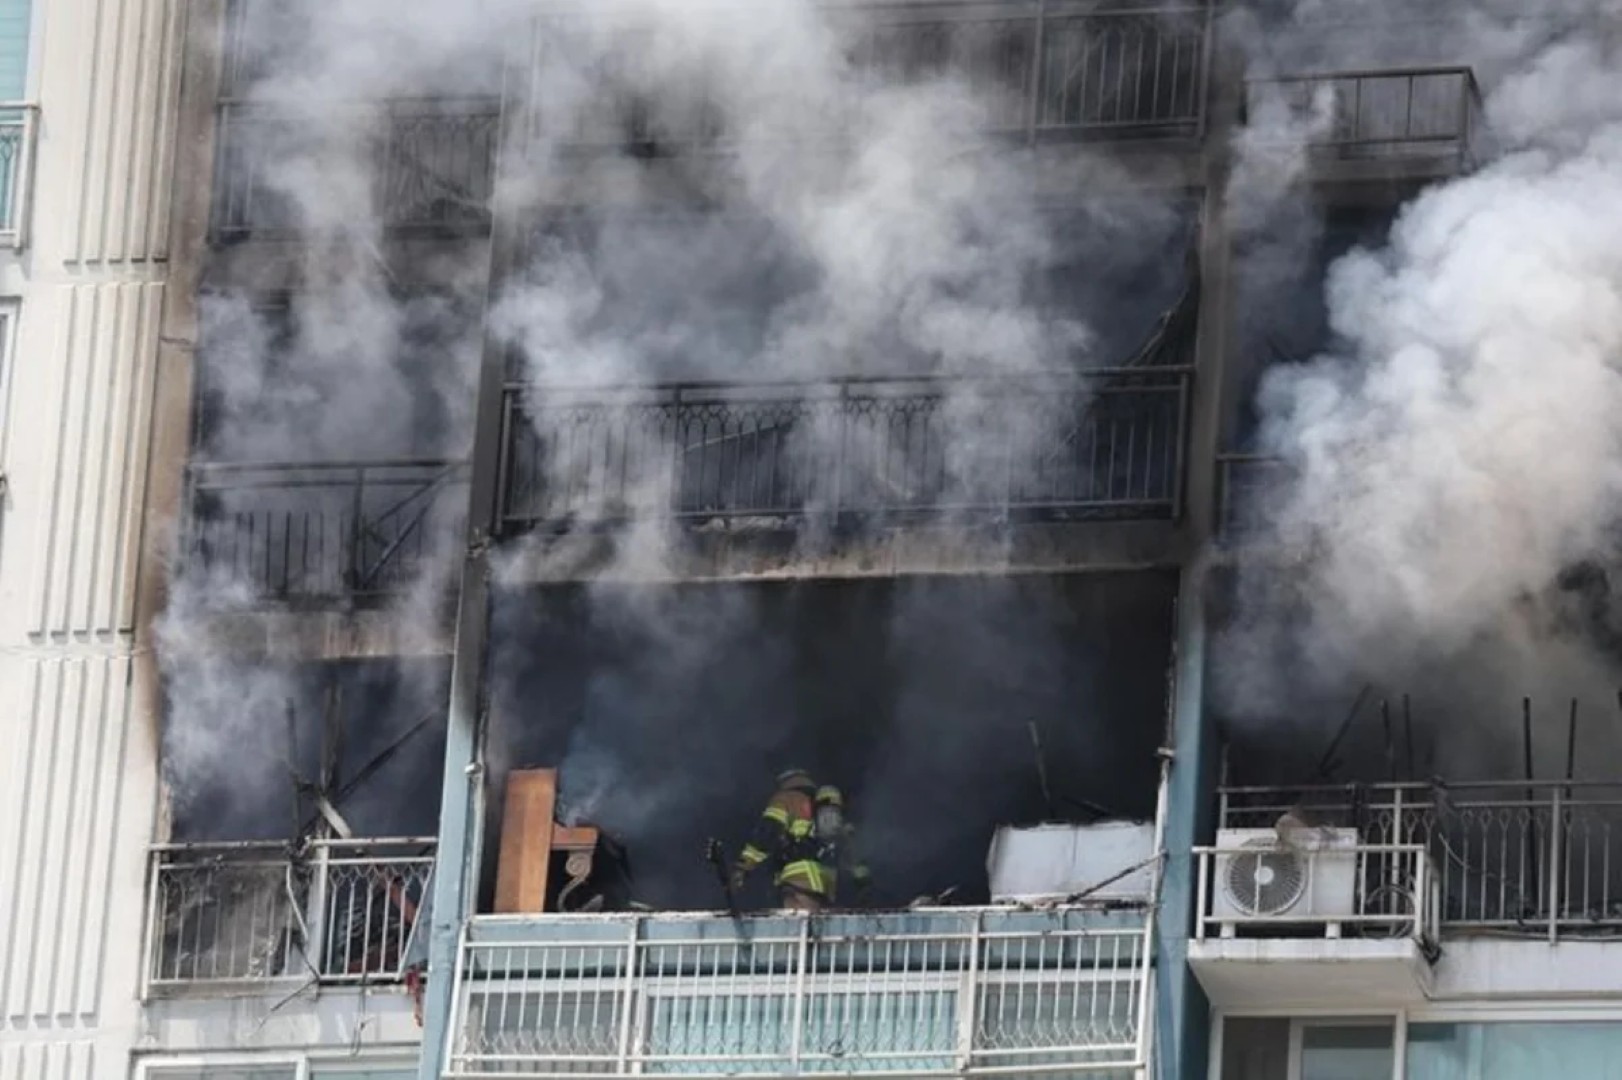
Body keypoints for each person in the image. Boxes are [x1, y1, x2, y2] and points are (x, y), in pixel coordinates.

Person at [732, 769, 868, 911]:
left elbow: (767, 833)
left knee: (797, 927)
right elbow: (848, 847)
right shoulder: (820, 803)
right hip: (826, 882)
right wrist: (862, 880)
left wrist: (743, 867)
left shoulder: (786, 799)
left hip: (798, 879)